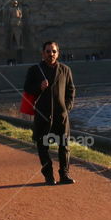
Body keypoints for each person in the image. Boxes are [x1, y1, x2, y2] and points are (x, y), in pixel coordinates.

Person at [22, 40, 75, 185]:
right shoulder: (34, 70)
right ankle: (49, 176)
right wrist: (39, 87)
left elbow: (71, 90)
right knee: (43, 146)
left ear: (58, 53)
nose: (51, 54)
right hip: (43, 115)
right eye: (48, 51)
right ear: (42, 53)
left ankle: (64, 175)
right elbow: (27, 88)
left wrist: (67, 107)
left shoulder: (65, 70)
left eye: (53, 51)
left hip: (61, 115)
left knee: (64, 146)